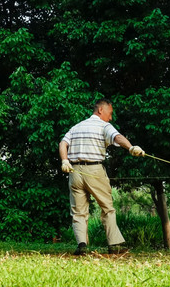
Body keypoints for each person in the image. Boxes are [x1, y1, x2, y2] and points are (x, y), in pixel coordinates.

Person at [59, 98, 145, 255]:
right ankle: (114, 245)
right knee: (107, 207)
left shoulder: (77, 127)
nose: (110, 117)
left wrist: (65, 160)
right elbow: (117, 137)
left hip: (74, 172)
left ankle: (82, 245)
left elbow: (63, 143)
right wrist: (131, 147)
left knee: (78, 211)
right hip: (94, 170)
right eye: (110, 113)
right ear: (100, 110)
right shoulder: (103, 125)